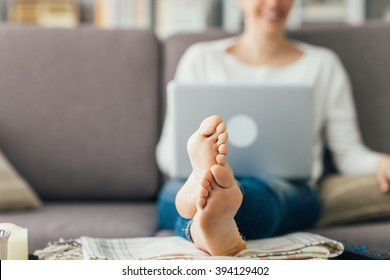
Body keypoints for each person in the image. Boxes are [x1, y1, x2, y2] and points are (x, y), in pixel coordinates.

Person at [155, 0, 390, 256]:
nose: (274, 3)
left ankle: (203, 220)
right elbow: (169, 154)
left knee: (266, 195)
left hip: (285, 183)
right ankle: (209, 208)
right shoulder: (201, 59)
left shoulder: (322, 65)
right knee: (173, 193)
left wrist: (381, 163)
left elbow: (348, 153)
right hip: (200, 180)